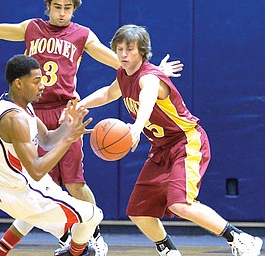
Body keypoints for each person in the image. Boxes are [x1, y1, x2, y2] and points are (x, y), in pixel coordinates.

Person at [0, 0, 183, 255]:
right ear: (48, 7)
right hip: (34, 111)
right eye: (58, 7)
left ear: (74, 9)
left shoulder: (82, 35)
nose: (62, 13)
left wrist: (155, 73)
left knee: (75, 182)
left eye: (67, 8)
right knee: (41, 186)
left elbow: (124, 64)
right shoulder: (31, 28)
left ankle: (94, 237)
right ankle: (69, 239)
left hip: (66, 111)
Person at [77, 24, 263, 256]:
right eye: (119, 48)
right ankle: (168, 251)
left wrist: (136, 127)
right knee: (138, 210)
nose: (123, 54)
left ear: (142, 52)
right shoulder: (123, 74)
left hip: (186, 142)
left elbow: (147, 98)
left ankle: (241, 238)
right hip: (161, 148)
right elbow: (108, 93)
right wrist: (80, 104)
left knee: (179, 204)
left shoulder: (150, 78)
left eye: (130, 49)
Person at [0, 54, 103, 256]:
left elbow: (47, 139)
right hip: (20, 192)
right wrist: (69, 139)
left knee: (34, 216)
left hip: (11, 185)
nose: (43, 86)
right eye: (36, 81)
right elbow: (37, 169)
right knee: (93, 215)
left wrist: (69, 125)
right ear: (18, 83)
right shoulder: (15, 119)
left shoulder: (19, 104)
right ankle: (75, 253)